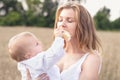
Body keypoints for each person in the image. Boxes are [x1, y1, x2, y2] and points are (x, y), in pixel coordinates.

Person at [29, 1, 102, 80]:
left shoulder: (91, 59)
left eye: (69, 20)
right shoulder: (53, 53)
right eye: (60, 20)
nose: (62, 24)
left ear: (83, 26)